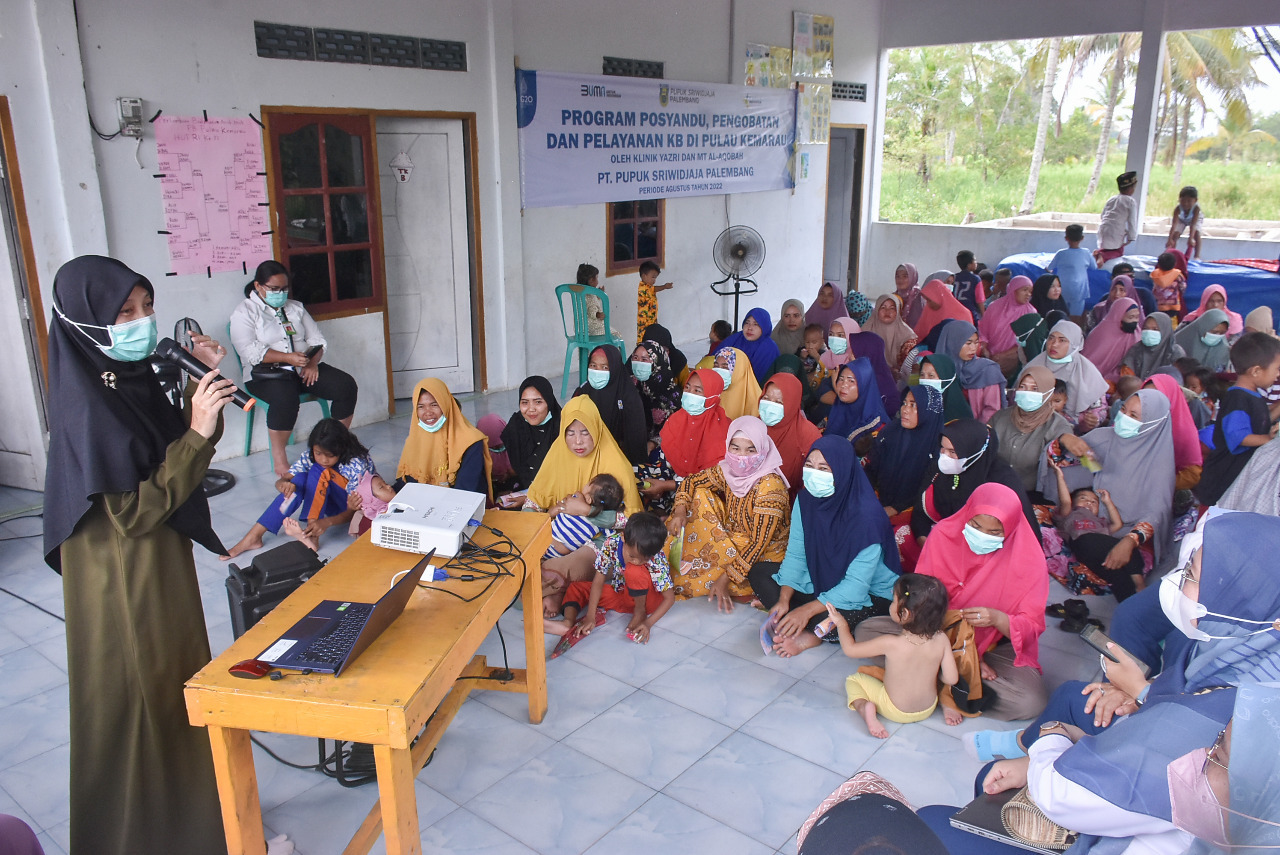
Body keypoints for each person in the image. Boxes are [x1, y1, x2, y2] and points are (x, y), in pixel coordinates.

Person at [43, 256, 236, 855]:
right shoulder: (86, 406)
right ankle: (156, 836)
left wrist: (200, 398)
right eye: (124, 312)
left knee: (174, 681)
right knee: (144, 694)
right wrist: (198, 432)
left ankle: (199, 819)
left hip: (153, 554)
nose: (141, 322)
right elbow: (133, 511)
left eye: (147, 307)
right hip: (123, 571)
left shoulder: (121, 376)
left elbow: (174, 452)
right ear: (84, 321)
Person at [867, 482, 1050, 722]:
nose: (982, 535)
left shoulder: (1028, 560)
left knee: (1029, 703)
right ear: (967, 514)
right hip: (933, 633)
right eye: (974, 525)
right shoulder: (944, 534)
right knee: (867, 632)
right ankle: (960, 683)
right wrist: (963, 651)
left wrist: (997, 618)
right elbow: (921, 597)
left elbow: (1031, 626)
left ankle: (933, 677)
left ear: (1012, 528)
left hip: (994, 643)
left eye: (994, 533)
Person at [749, 436, 900, 657]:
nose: (814, 474)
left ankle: (810, 634)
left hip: (868, 594)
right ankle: (800, 620)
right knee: (760, 573)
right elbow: (797, 554)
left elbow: (856, 586)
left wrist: (804, 610)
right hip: (820, 579)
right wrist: (783, 600)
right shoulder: (806, 500)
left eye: (823, 468)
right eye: (809, 466)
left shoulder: (868, 518)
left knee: (853, 620)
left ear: (842, 471)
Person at [229, 259, 359, 478]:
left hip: (303, 368)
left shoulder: (295, 308)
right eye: (274, 289)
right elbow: (249, 352)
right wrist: (287, 358)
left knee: (345, 385)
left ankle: (335, 444)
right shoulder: (244, 313)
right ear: (258, 286)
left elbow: (317, 339)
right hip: (266, 374)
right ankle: (280, 460)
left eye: (284, 289)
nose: (280, 293)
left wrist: (312, 362)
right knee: (284, 399)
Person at [1037, 388, 1176, 574]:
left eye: (1134, 415)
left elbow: (1157, 512)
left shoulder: (1159, 464)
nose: (1124, 417)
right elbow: (1063, 463)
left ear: (1152, 424)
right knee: (1034, 519)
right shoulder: (1104, 438)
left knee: (1097, 549)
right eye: (1124, 409)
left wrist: (1130, 541)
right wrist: (1064, 441)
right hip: (1083, 518)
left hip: (1120, 533)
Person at [666, 416, 790, 609]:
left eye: (751, 450)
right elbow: (691, 482)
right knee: (699, 494)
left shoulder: (770, 486)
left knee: (687, 578)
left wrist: (725, 578)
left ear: (763, 450)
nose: (742, 456)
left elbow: (759, 544)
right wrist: (680, 511)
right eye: (736, 448)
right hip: (733, 536)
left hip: (763, 553)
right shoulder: (727, 470)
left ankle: (728, 576)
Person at [830, 574, 957, 738]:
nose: (891, 605)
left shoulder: (891, 643)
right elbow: (951, 679)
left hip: (895, 711)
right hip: (928, 709)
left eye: (893, 601)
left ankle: (864, 709)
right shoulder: (941, 639)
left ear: (904, 613)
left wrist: (841, 624)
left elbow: (850, 650)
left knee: (854, 680)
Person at [224, 419, 371, 557]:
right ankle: (254, 536)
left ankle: (312, 535)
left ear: (342, 449)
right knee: (298, 480)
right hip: (329, 501)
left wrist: (326, 522)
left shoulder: (356, 463)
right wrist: (282, 484)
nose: (323, 459)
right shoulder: (311, 455)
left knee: (319, 470)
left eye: (330, 455)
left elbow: (355, 510)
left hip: (348, 508)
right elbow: (286, 478)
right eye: (318, 453)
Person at [550, 513, 676, 644]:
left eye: (645, 559)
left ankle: (639, 612)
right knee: (577, 587)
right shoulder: (611, 544)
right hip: (623, 594)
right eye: (632, 556)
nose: (638, 561)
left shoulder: (656, 556)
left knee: (633, 570)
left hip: (649, 601)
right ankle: (567, 622)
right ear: (623, 537)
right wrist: (590, 616)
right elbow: (598, 581)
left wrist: (648, 623)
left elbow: (669, 598)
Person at [911, 419, 1040, 544]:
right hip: (946, 538)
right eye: (942, 448)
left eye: (953, 452)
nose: (945, 456)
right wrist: (923, 539)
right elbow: (921, 511)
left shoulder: (1003, 482)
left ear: (974, 452)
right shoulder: (940, 470)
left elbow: (1021, 536)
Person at [1195, 332, 1280, 505]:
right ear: (1256, 371)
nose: (1278, 375)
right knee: (1212, 523)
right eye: (1277, 369)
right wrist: (1268, 439)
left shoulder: (1251, 396)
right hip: (1222, 478)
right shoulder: (1237, 399)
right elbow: (1239, 436)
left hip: (1233, 476)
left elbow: (1259, 423)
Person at [1047, 464, 1144, 600]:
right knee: (1124, 545)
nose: (1089, 503)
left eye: (1094, 502)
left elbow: (1117, 524)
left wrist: (1108, 502)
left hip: (1103, 552)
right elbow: (1065, 501)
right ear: (1073, 502)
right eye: (1083, 498)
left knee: (1119, 574)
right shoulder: (1069, 515)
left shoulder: (1101, 522)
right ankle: (1140, 585)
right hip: (1083, 543)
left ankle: (1133, 600)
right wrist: (1059, 476)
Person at [988, 365, 1082, 492]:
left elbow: (1066, 444)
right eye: (1023, 386)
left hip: (1031, 494)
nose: (1027, 393)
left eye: (1035, 389)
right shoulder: (1000, 417)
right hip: (993, 488)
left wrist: (1068, 440)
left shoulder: (1057, 425)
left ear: (1048, 393)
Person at [397, 377, 492, 498]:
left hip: (460, 506)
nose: (428, 412)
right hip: (424, 505)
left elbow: (465, 491)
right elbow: (407, 483)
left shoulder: (471, 441)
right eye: (420, 406)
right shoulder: (414, 440)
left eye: (434, 405)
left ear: (446, 405)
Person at [867, 385, 945, 518]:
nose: (905, 410)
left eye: (913, 405)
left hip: (915, 512)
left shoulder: (939, 446)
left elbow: (928, 489)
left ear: (928, 410)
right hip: (878, 501)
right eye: (904, 403)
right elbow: (872, 467)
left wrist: (896, 508)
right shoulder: (891, 432)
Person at [1027, 320, 1109, 429]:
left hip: (1075, 434)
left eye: (1062, 340)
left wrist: (1094, 419)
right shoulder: (1034, 368)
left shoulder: (1087, 372)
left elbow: (1099, 407)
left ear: (1074, 344)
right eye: (1051, 338)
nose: (1054, 344)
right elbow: (1017, 399)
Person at [575, 343, 649, 464]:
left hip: (620, 459)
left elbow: (635, 440)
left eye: (604, 367)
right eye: (593, 366)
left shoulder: (628, 396)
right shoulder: (583, 391)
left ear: (614, 369)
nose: (598, 371)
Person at [758, 372, 822, 499]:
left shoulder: (808, 435)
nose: (771, 405)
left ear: (792, 404)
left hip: (790, 503)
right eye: (766, 399)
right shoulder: (754, 426)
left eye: (779, 402)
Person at [660, 368, 732, 479]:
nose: (689, 393)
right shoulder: (676, 418)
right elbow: (665, 458)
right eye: (687, 387)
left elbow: (715, 479)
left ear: (712, 396)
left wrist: (668, 486)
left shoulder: (724, 429)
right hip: (670, 477)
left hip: (702, 489)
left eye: (697, 391)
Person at [542, 473, 625, 560]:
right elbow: (611, 536)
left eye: (588, 484)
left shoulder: (575, 499)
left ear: (589, 499)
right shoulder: (602, 524)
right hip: (559, 554)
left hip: (546, 539)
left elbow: (555, 510)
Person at [936, 321, 1005, 423]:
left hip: (975, 431)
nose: (973, 348)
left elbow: (992, 410)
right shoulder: (937, 369)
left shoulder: (986, 370)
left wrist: (974, 432)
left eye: (976, 342)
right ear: (953, 343)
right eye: (968, 343)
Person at [1144, 373, 1204, 491]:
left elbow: (1192, 475)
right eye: (1145, 396)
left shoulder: (1183, 432)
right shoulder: (1133, 419)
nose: (1149, 402)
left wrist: (1156, 484)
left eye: (1157, 398)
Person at [501, 376, 561, 492]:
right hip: (522, 488)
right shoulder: (516, 424)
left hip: (555, 493)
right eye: (525, 402)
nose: (531, 409)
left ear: (549, 402)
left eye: (538, 402)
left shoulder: (562, 427)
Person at [976, 274, 1037, 375]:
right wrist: (984, 348)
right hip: (989, 356)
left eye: (1030, 291)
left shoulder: (1030, 313)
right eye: (1024, 290)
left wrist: (1004, 355)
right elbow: (983, 330)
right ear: (1014, 289)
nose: (1028, 294)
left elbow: (1026, 342)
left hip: (1012, 359)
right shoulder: (994, 307)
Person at [823, 360, 889, 448]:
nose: (843, 385)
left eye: (851, 381)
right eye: (841, 379)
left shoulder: (877, 427)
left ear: (864, 385)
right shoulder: (837, 408)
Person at [1081, 297, 1141, 383]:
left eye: (1137, 317)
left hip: (1124, 382)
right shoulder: (1102, 334)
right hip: (1094, 381)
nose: (1134, 321)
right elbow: (1088, 364)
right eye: (1131, 317)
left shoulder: (1137, 334)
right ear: (1118, 316)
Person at [628, 338, 682, 433]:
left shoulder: (672, 397)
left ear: (657, 362)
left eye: (644, 359)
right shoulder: (631, 383)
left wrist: (653, 444)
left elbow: (675, 431)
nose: (639, 362)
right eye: (635, 358)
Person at [716, 307, 780, 384]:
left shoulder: (769, 348)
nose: (750, 328)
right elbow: (714, 358)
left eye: (756, 324)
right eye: (747, 323)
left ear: (764, 327)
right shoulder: (736, 338)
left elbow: (757, 379)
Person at [1047, 223, 1095, 318]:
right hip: (1079, 291)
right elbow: (1094, 267)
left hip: (1062, 291)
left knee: (1060, 316)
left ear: (1066, 238)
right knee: (1075, 317)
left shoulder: (1061, 254)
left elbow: (1049, 268)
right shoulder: (1086, 253)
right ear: (1082, 238)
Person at [862, 294, 918, 375]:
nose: (887, 311)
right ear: (876, 309)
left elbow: (912, 370)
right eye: (883, 307)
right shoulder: (865, 331)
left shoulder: (908, 336)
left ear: (898, 311)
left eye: (892, 308)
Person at [1120, 311, 1184, 380]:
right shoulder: (1136, 350)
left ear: (1165, 331)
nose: (1149, 332)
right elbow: (1127, 379)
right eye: (1145, 328)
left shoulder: (1175, 352)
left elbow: (1179, 380)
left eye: (1155, 329)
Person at [1095, 170, 1139, 263]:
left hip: (1103, 228)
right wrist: (1132, 237)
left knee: (1106, 247)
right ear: (1131, 188)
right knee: (1118, 251)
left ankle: (1098, 253)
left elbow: (1103, 215)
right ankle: (1102, 257)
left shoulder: (1111, 199)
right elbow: (1132, 221)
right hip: (1116, 230)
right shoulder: (1130, 201)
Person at [709, 346, 762, 419]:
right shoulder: (708, 393)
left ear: (740, 370)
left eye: (725, 367)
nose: (719, 371)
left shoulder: (757, 402)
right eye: (716, 366)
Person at [1173, 307, 1232, 372]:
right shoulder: (1179, 343)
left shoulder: (1224, 349)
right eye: (1214, 332)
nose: (1217, 336)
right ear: (1203, 328)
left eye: (1222, 333)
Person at [918, 353, 973, 421]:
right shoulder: (915, 403)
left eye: (931, 376)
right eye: (922, 375)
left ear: (945, 377)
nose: (925, 380)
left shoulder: (960, 414)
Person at [573, 262, 620, 341]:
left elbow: (588, 304)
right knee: (616, 335)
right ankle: (612, 353)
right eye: (596, 278)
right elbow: (592, 310)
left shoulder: (579, 293)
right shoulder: (590, 295)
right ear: (591, 280)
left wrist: (597, 296)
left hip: (580, 330)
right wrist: (598, 314)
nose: (597, 281)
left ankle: (588, 353)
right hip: (592, 329)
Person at [635, 259, 673, 343]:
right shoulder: (643, 287)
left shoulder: (649, 287)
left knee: (652, 339)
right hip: (644, 323)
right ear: (644, 276)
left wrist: (664, 287)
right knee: (644, 341)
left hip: (652, 320)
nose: (654, 280)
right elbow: (654, 289)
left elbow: (654, 289)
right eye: (653, 277)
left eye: (655, 277)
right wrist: (664, 286)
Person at [477, 414, 515, 493]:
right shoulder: (477, 455)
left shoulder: (516, 443)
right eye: (493, 448)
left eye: (501, 445)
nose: (499, 450)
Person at [1165, 184, 1203, 258]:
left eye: (1189, 201)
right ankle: (1170, 255)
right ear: (1179, 200)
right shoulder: (1178, 209)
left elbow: (1193, 224)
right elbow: (1174, 225)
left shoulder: (1196, 209)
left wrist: (1190, 238)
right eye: (1182, 201)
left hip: (1195, 220)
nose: (1185, 203)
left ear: (1195, 200)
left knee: (1196, 233)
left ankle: (1197, 257)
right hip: (1182, 219)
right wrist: (1169, 239)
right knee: (1175, 235)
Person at [1149, 251, 1187, 319]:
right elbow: (1183, 287)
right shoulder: (1177, 275)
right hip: (1173, 305)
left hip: (1159, 305)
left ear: (1159, 264)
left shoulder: (1155, 274)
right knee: (1170, 322)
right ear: (1174, 264)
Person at [891, 262, 926, 329]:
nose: (900, 280)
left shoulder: (919, 298)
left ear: (913, 277)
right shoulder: (893, 297)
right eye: (897, 276)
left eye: (905, 276)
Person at [952, 249, 984, 318]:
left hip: (955, 313)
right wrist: (984, 315)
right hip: (970, 314)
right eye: (974, 260)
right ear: (969, 265)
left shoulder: (954, 277)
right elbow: (980, 300)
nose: (976, 262)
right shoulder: (975, 279)